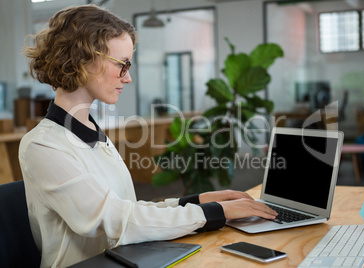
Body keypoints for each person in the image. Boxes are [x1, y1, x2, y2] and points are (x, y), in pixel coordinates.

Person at [20, 4, 277, 267]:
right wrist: (211, 213)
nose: (128, 77)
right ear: (84, 57)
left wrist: (195, 201)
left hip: (123, 259)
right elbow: (112, 221)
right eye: (122, 64)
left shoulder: (95, 136)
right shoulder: (44, 145)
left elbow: (127, 211)